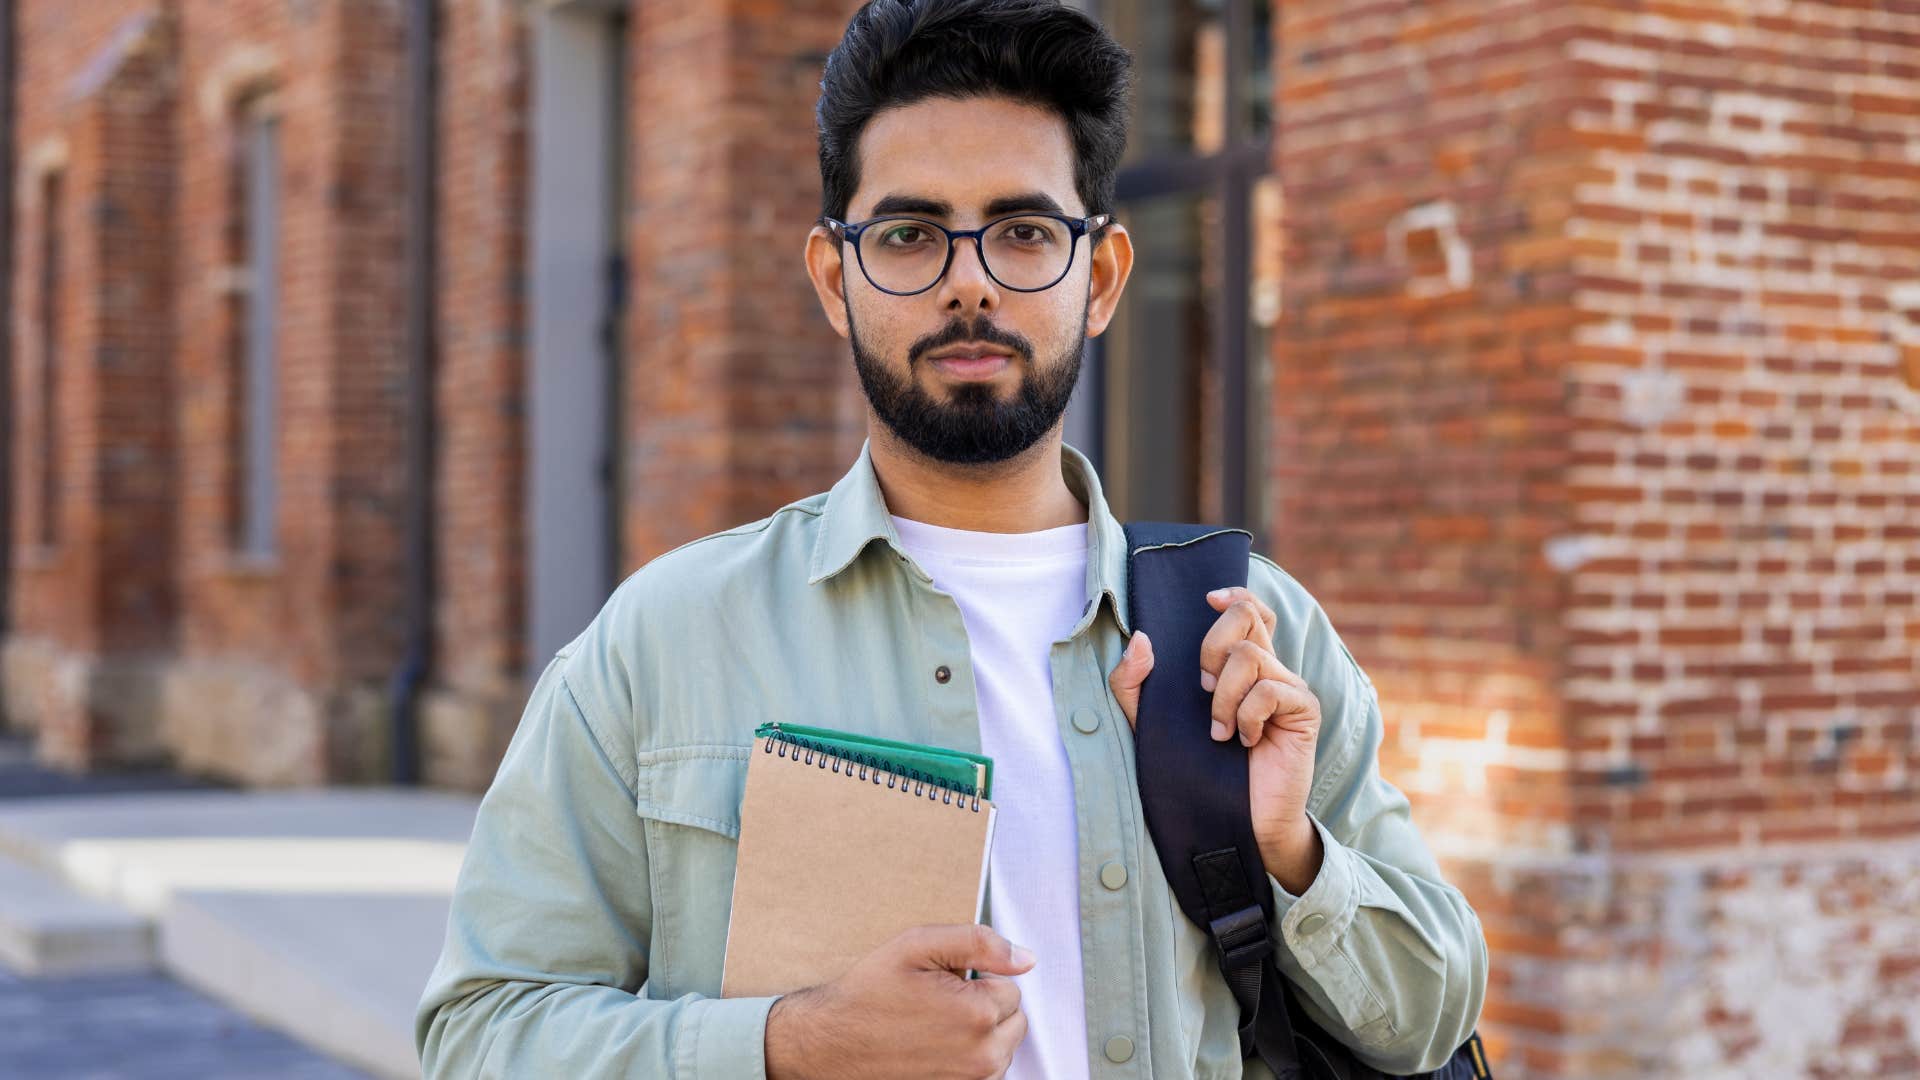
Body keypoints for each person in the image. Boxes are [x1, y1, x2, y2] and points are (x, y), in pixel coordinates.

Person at [414, 1, 1488, 1076]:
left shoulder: (1248, 631)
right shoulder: (669, 640)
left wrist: (1288, 851)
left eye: (1023, 232)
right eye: (909, 236)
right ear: (835, 280)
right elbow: (480, 1032)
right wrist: (790, 1045)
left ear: (1101, 278)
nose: (968, 281)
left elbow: (1430, 1017)